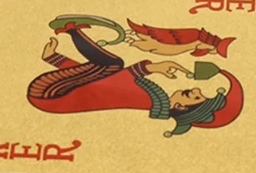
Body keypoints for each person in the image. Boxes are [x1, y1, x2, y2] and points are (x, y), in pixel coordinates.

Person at [27, 20, 243, 137]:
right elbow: (92, 80)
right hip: (54, 94)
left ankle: (72, 29)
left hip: (49, 95)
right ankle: (71, 31)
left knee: (114, 64)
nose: (196, 90)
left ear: (180, 107)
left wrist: (153, 67)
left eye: (196, 97)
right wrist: (54, 58)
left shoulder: (150, 100)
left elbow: (111, 79)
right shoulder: (155, 100)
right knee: (110, 68)